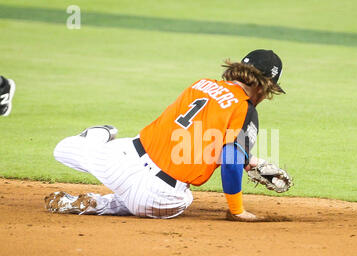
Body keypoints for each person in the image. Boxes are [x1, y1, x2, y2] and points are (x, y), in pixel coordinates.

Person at [45, 49, 285, 222]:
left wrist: (247, 161)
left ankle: (98, 136)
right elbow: (229, 159)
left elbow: (197, 135)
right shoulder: (246, 109)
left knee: (63, 150)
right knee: (181, 200)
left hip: (122, 160)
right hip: (159, 196)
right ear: (264, 87)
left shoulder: (200, 84)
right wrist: (237, 210)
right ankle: (100, 204)